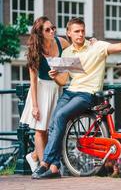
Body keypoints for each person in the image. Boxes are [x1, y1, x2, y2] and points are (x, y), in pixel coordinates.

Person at [31, 17, 121, 179]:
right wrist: (54, 76)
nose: (80, 34)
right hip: (70, 92)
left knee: (60, 116)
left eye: (82, 31)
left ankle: (45, 163)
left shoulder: (96, 46)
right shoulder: (67, 52)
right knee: (54, 122)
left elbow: (117, 47)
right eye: (76, 31)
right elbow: (63, 81)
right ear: (69, 33)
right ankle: (54, 166)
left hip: (86, 94)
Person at [20, 16, 69, 172]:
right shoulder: (35, 51)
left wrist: (91, 43)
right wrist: (35, 106)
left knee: (51, 128)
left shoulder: (61, 42)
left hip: (56, 88)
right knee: (41, 130)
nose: (52, 31)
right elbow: (33, 81)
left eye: (53, 28)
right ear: (40, 33)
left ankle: (34, 156)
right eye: (47, 29)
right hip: (41, 91)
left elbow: (76, 47)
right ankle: (43, 167)